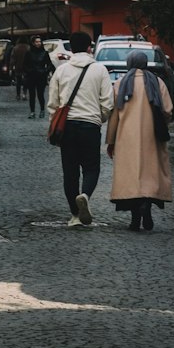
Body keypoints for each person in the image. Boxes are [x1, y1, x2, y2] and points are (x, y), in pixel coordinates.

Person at [47, 30, 113, 227]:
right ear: (89, 48)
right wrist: (98, 118)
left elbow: (53, 103)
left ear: (72, 48)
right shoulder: (100, 70)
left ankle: (75, 215)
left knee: (70, 171)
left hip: (67, 126)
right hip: (90, 125)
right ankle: (85, 195)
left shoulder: (61, 70)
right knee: (91, 167)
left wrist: (54, 123)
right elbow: (107, 103)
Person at [106, 48, 173, 231]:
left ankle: (135, 218)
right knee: (148, 177)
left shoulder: (120, 84)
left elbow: (114, 115)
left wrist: (111, 140)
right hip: (152, 137)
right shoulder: (157, 83)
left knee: (132, 177)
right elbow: (167, 109)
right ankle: (147, 207)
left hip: (126, 138)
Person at [23, 34, 51, 119]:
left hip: (41, 76)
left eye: (39, 41)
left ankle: (42, 110)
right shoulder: (28, 53)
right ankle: (32, 112)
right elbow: (24, 64)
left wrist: (45, 72)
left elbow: (50, 65)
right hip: (31, 76)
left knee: (40, 94)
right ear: (33, 43)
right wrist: (29, 71)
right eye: (36, 42)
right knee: (32, 95)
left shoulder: (45, 53)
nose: (38, 43)